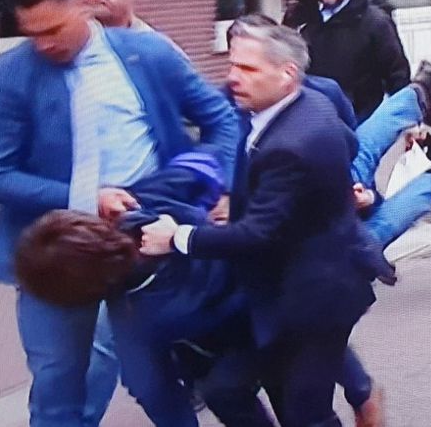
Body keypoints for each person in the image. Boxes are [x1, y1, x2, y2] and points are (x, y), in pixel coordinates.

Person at [0, 0, 239, 426]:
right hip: (57, 257)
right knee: (56, 381)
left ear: (81, 7)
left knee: (150, 380)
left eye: (53, 28)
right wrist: (87, 195)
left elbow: (220, 120)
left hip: (144, 245)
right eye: (32, 34)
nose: (44, 43)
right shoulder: (12, 75)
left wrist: (215, 181)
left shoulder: (146, 54)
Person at [139, 23, 376, 427]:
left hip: (314, 301)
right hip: (278, 295)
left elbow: (256, 234)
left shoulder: (292, 143)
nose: (233, 77)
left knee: (305, 416)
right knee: (224, 389)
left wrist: (177, 237)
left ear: (286, 74)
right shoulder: (296, 106)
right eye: (233, 65)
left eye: (247, 69)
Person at [283, 0, 410, 123]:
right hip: (306, 120)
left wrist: (409, 122)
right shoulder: (298, 15)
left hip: (357, 123)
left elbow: (397, 75)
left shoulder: (376, 22)